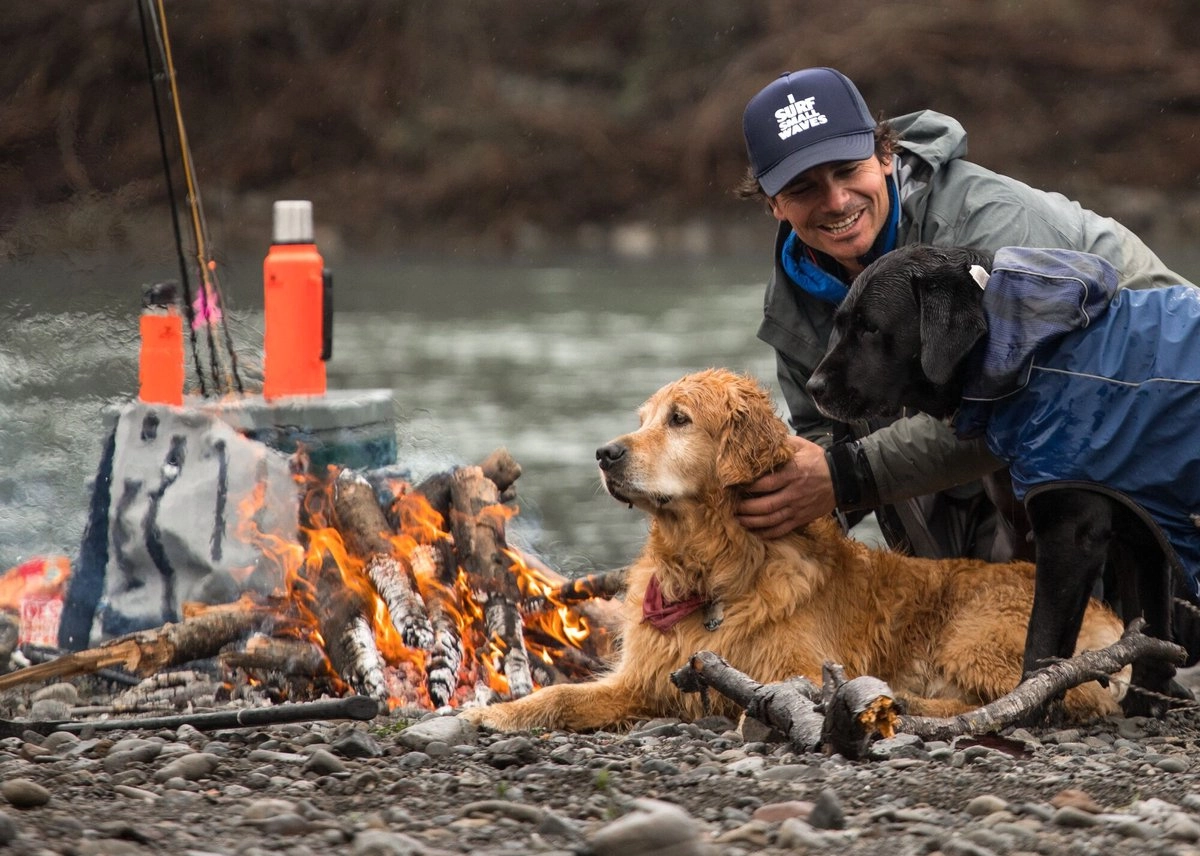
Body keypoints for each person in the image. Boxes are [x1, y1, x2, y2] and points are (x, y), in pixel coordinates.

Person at [733, 66, 1195, 562]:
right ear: (773, 204)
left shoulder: (989, 227)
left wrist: (845, 475)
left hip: (1154, 432)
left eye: (847, 170)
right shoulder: (795, 292)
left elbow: (1028, 405)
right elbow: (820, 448)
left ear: (885, 154)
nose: (836, 200)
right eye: (803, 188)